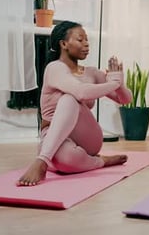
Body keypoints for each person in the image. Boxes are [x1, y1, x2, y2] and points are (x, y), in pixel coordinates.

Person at [17, 21, 132, 186]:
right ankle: (102, 161)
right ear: (63, 44)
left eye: (87, 40)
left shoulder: (92, 72)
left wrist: (119, 83)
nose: (86, 44)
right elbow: (81, 92)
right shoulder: (55, 68)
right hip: (54, 137)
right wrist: (113, 82)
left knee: (69, 99)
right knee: (65, 160)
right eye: (80, 39)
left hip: (88, 138)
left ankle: (42, 160)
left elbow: (125, 99)